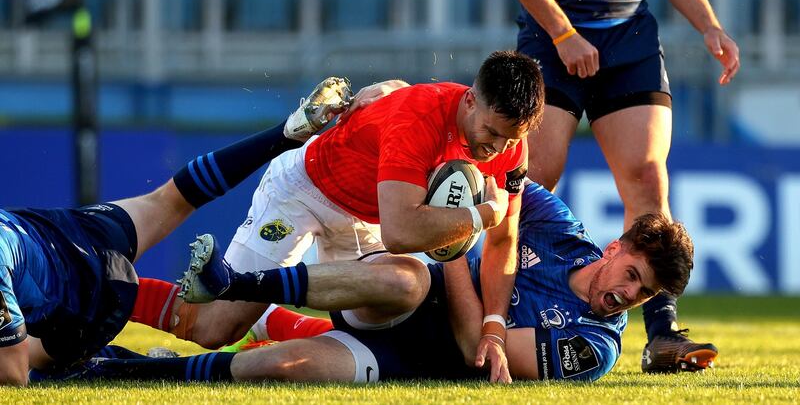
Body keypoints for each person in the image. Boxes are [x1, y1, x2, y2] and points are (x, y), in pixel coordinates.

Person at [128, 50, 544, 377]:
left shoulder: (510, 152)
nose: (497, 148)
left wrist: (493, 327)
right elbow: (401, 232)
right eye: (491, 132)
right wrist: (478, 217)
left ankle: (267, 321)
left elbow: (504, 240)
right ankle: (107, 290)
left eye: (512, 138)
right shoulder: (419, 117)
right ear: (470, 100)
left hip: (366, 217)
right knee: (213, 329)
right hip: (305, 192)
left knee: (373, 326)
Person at [65, 181, 694, 384]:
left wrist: (454, 251)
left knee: (278, 369)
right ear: (617, 246)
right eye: (632, 276)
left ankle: (111, 368)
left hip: (409, 356)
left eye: (641, 297)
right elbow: (491, 175)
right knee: (405, 281)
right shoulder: (559, 228)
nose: (625, 297)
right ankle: (233, 284)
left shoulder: (596, 347)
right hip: (397, 283)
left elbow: (477, 344)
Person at [0, 77, 353, 386]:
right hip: (70, 232)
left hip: (91, 298)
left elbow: (13, 374)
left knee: (45, 366)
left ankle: (148, 367)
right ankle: (286, 132)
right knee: (170, 199)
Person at [495, 0, 740, 372]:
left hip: (628, 32)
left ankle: (662, 334)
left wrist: (709, 23)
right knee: (531, 178)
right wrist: (562, 32)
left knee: (647, 177)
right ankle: (500, 312)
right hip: (551, 28)